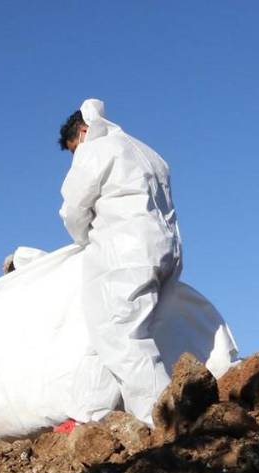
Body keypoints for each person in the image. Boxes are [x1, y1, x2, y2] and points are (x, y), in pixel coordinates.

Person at [57, 98, 182, 426]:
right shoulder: (148, 152)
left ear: (83, 132)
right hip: (166, 250)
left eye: (73, 149)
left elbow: (72, 209)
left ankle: (166, 422)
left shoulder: (96, 150)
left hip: (125, 253)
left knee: (123, 338)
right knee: (107, 334)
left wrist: (83, 240)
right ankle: (88, 415)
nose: (75, 155)